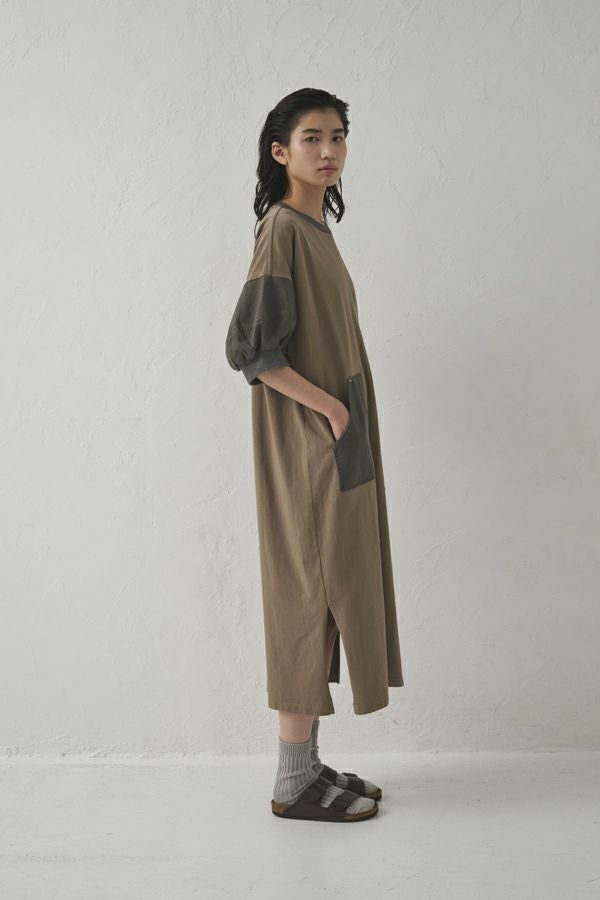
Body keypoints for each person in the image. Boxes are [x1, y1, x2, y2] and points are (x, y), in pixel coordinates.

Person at [225, 88, 404, 822]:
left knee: (333, 593)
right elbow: (252, 350)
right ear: (280, 151)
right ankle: (292, 783)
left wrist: (342, 415)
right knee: (308, 595)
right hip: (309, 445)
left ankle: (309, 763)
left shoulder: (315, 228)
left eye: (337, 137)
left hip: (337, 438)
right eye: (311, 138)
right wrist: (330, 408)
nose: (328, 151)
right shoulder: (282, 230)